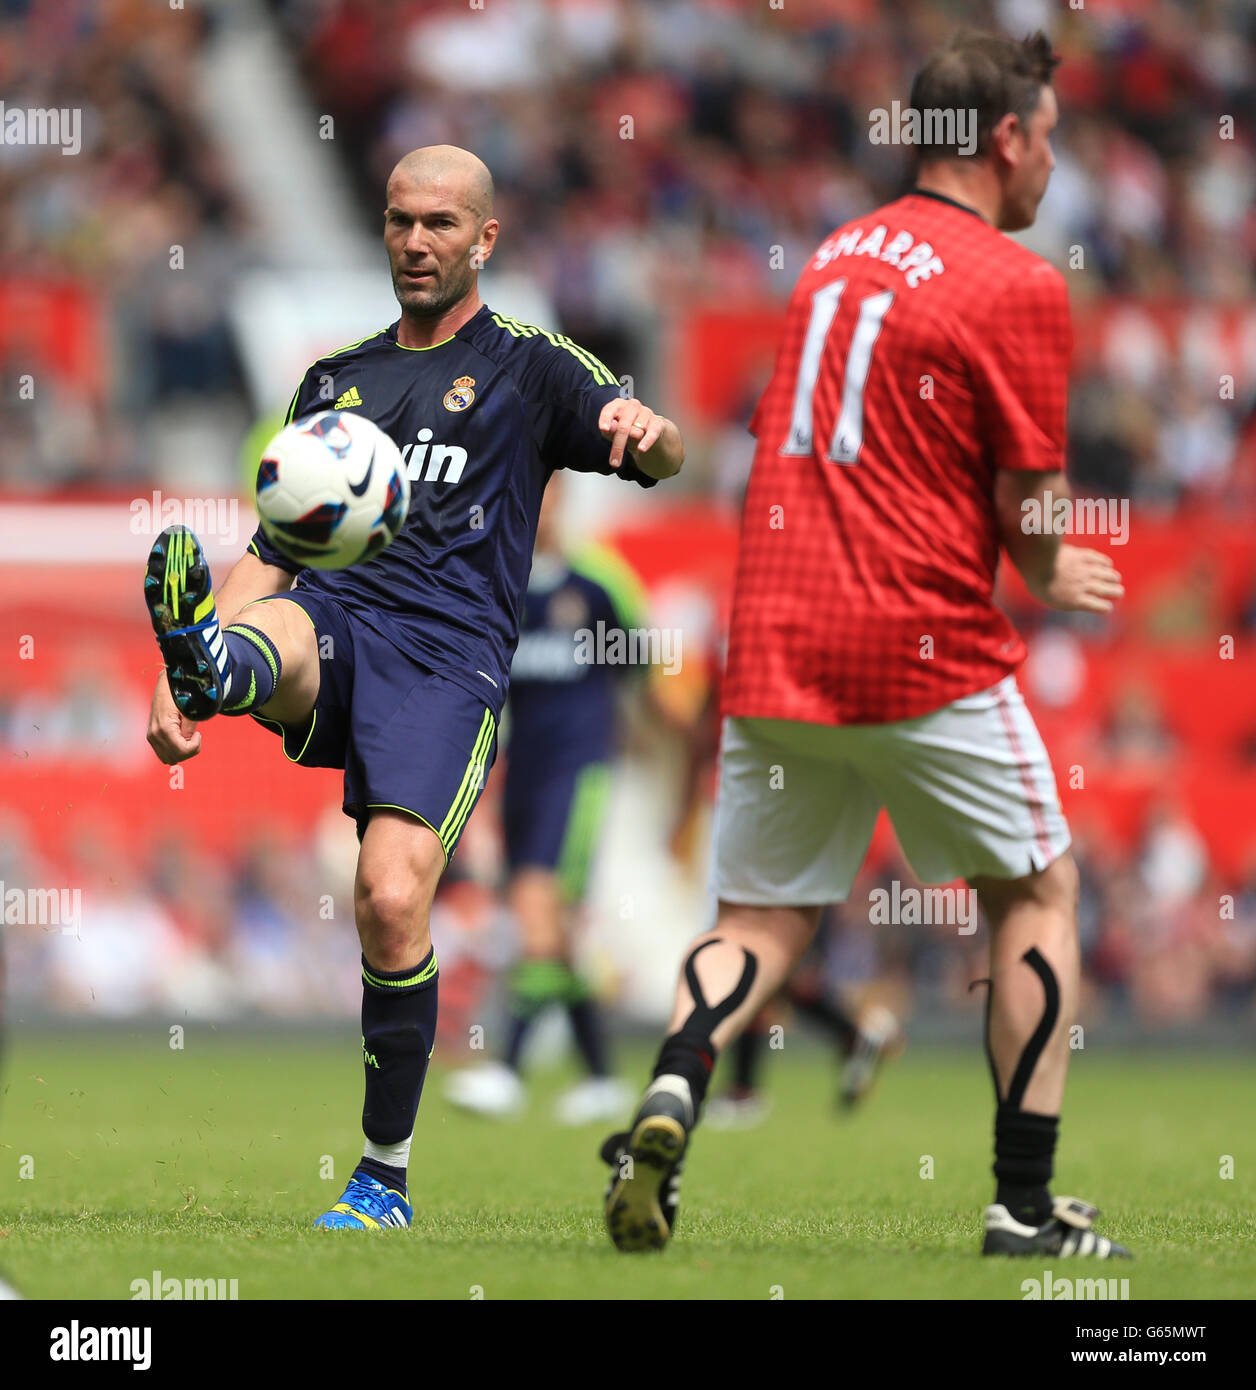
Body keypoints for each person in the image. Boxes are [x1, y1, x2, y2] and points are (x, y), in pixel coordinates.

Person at [601, 31, 1129, 1260]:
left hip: (775, 636)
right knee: (1036, 891)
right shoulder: (1014, 281)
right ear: (1003, 140)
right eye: (1045, 136)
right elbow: (1030, 510)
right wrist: (1055, 567)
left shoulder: (831, 255)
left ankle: (677, 1081)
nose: (1051, 159)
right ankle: (1022, 1202)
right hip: (917, 637)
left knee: (759, 915)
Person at [143, 145, 683, 1231]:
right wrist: (184, 683)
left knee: (390, 900)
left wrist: (649, 435)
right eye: (398, 221)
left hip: (449, 666)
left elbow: (656, 453)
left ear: (484, 238)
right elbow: (272, 550)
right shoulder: (334, 380)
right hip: (341, 620)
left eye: (440, 223)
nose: (415, 242)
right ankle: (212, 662)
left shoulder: (531, 367)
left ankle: (381, 1174)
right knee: (285, 631)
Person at [445, 480, 645, 1124]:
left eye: (549, 492)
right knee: (548, 929)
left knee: (536, 907)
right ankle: (602, 1076)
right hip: (522, 772)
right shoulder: (499, 586)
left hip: (578, 773)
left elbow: (642, 673)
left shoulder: (599, 585)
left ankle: (507, 1070)